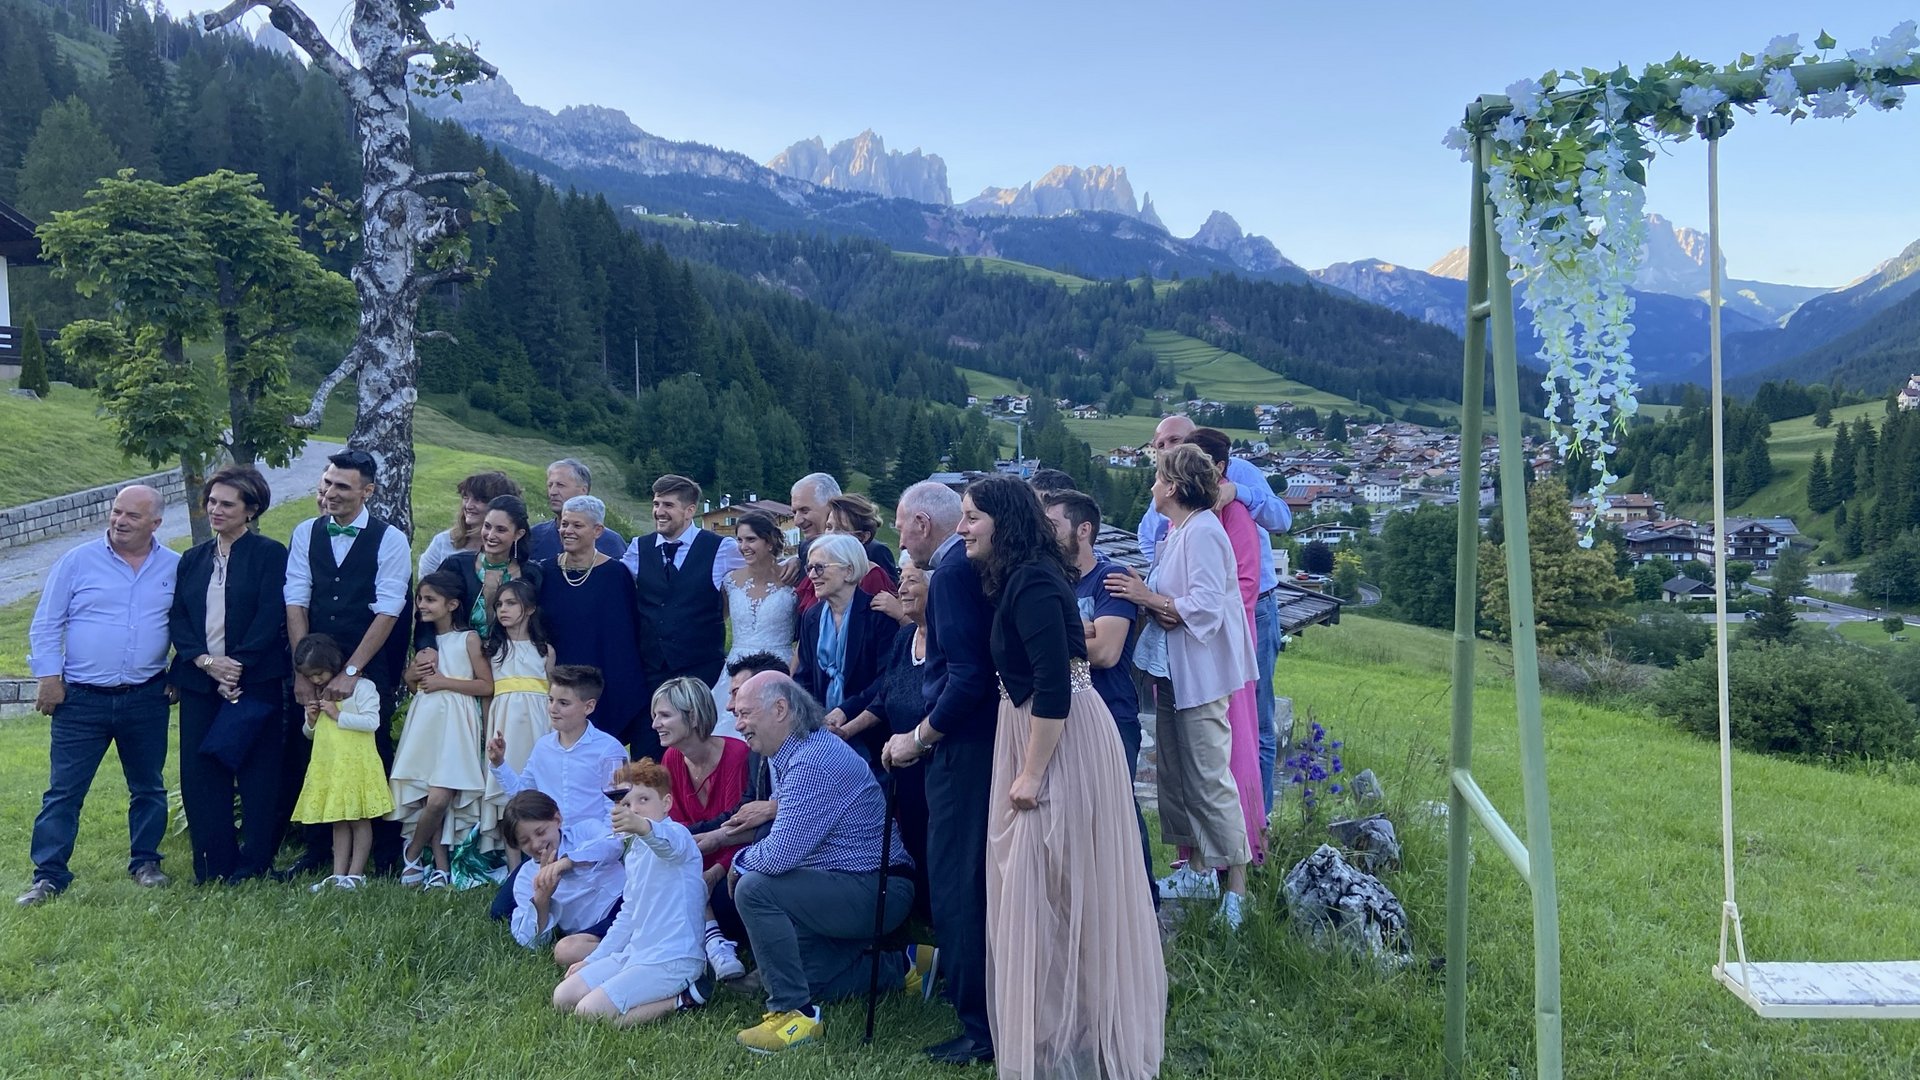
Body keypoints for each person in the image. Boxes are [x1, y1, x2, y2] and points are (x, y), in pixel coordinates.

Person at [962, 474, 1166, 1079]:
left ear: (1004, 522)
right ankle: (1059, 1034)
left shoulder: (1032, 582)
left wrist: (1030, 774)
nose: (963, 528)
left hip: (1058, 741)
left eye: (972, 517)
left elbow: (1055, 684)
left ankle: (1082, 1039)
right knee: (1047, 886)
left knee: (1056, 882)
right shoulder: (1022, 578)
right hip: (1037, 734)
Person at [1107, 444, 1257, 928]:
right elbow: (1172, 600)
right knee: (1176, 772)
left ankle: (1237, 890)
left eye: (1156, 478)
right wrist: (1145, 594)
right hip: (1174, 672)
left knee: (1210, 775)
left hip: (1201, 674)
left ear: (1172, 487)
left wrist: (1148, 596)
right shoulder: (1180, 531)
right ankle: (1197, 869)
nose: (1151, 486)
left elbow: (1207, 608)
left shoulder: (1205, 533)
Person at [729, 673, 916, 1055]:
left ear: (780, 709)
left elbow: (780, 855)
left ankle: (795, 1014)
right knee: (804, 975)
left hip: (877, 888)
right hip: (850, 886)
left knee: (753, 886)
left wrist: (737, 863)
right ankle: (907, 966)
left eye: (745, 713)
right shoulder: (796, 752)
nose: (738, 723)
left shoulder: (813, 760)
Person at [881, 479, 999, 1066]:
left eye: (900, 524)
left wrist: (921, 736)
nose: (897, 536)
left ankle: (978, 1025)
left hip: (962, 747)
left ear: (923, 523)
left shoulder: (950, 572)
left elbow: (966, 676)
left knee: (957, 882)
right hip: (986, 742)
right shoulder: (968, 565)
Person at [18, 485, 179, 906]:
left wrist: (180, 673)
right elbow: (47, 622)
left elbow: (190, 628)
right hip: (80, 700)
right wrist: (48, 677)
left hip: (146, 696)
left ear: (155, 524)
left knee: (148, 787)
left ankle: (146, 863)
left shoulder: (174, 567)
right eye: (116, 512)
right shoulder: (78, 561)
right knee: (64, 792)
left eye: (132, 516)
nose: (119, 521)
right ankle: (49, 876)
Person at [1138, 414, 1292, 818]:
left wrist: (1239, 492)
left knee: (1253, 720)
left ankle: (1259, 819)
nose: (1168, 450)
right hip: (1193, 622)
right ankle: (1213, 839)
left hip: (1249, 610)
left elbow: (1281, 519)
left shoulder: (1236, 477)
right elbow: (1149, 535)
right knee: (1202, 736)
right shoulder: (1171, 487)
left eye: (1175, 441)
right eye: (1160, 445)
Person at [282, 449, 413, 877]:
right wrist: (305, 673)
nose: (331, 493)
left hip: (367, 665)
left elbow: (389, 611)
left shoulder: (390, 539)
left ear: (367, 491)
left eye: (342, 486)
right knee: (315, 749)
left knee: (372, 752)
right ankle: (318, 849)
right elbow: (296, 598)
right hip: (313, 663)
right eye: (327, 483)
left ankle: (385, 852)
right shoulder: (305, 532)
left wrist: (352, 672)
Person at [168, 466, 289, 886]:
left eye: (227, 503)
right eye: (212, 502)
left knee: (259, 773)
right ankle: (212, 864)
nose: (215, 510)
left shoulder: (271, 554)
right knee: (202, 774)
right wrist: (205, 662)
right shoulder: (192, 559)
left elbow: (271, 614)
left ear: (251, 510)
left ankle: (254, 864)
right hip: (201, 682)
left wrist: (237, 665)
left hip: (254, 682)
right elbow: (179, 617)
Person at [1043, 489, 1156, 898]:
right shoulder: (1046, 577)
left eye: (1053, 525)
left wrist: (1049, 639)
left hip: (1111, 713)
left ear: (1083, 529)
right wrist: (1080, 632)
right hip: (1057, 714)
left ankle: (1144, 900)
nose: (1044, 532)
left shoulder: (1111, 579)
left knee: (1117, 811)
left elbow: (1107, 652)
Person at [552, 758, 712, 1027]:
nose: (634, 809)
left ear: (667, 803)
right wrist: (593, 959)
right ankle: (629, 988)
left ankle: (683, 998)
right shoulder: (635, 851)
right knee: (563, 996)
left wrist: (641, 826)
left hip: (673, 959)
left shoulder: (677, 835)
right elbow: (627, 915)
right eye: (626, 803)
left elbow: (665, 844)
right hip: (636, 954)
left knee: (589, 1013)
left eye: (643, 800)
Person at [487, 665, 629, 928]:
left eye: (564, 703)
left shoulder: (610, 749)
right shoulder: (543, 747)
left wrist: (595, 851)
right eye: (551, 700)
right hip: (546, 843)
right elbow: (524, 798)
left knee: (593, 913)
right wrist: (499, 764)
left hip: (590, 845)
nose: (553, 708)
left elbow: (617, 816)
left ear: (589, 706)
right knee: (500, 912)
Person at [1187, 428, 1269, 870]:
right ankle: (1198, 858)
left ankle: (1239, 854)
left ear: (1218, 468)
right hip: (1191, 648)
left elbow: (1245, 587)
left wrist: (1179, 609)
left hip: (1224, 652)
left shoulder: (1234, 513)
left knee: (1231, 745)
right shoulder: (1186, 515)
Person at [624, 474, 744, 761]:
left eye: (668, 504)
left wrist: (790, 564)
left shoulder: (721, 549)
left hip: (702, 672)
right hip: (652, 673)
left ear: (690, 510)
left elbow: (758, 572)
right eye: (655, 504)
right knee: (651, 757)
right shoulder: (637, 549)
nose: (659, 511)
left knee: (700, 752)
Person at [391, 571, 494, 888]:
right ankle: (440, 866)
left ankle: (411, 853)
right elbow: (412, 685)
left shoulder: (468, 639)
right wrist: (413, 673)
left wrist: (443, 682)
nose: (422, 604)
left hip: (456, 721)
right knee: (426, 795)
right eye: (420, 599)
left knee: (440, 797)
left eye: (430, 599)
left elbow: (486, 685)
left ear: (452, 604)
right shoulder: (423, 642)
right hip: (426, 721)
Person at [650, 676, 751, 981]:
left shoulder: (736, 756)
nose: (655, 724)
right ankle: (713, 942)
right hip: (694, 858)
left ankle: (711, 939)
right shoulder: (671, 758)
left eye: (664, 715)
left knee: (714, 895)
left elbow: (740, 827)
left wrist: (715, 872)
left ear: (692, 717)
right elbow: (677, 828)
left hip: (733, 859)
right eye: (655, 716)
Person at [539, 495, 649, 745]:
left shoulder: (616, 574)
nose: (567, 530)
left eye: (577, 525)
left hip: (603, 684)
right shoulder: (544, 572)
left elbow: (626, 637)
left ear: (597, 530)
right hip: (557, 684)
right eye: (564, 524)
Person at [289, 633, 393, 892]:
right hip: (330, 766)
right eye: (309, 676)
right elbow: (311, 734)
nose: (315, 680)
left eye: (319, 673)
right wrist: (311, 720)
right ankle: (338, 873)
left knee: (358, 818)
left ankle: (356, 874)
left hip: (357, 765)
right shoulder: (319, 693)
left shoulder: (362, 688)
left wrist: (338, 715)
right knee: (338, 819)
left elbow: (372, 722)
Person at [862, 553, 934, 917]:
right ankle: (916, 907)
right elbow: (884, 695)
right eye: (900, 579)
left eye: (911, 580)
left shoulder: (948, 639)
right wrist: (844, 726)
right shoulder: (905, 635)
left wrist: (916, 741)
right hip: (899, 754)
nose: (901, 588)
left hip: (934, 757)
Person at [793, 533, 897, 765]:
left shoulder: (877, 616)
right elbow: (804, 677)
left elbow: (886, 680)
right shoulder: (812, 617)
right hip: (822, 732)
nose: (811, 576)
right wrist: (814, 718)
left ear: (848, 571)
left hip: (870, 735)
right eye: (809, 568)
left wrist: (845, 710)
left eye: (819, 568)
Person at [498, 790, 623, 964]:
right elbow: (531, 942)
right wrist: (542, 898)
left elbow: (614, 845)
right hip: (595, 929)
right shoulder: (526, 878)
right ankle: (632, 952)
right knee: (565, 951)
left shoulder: (585, 830)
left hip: (626, 901)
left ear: (557, 819)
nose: (536, 844)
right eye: (525, 841)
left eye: (540, 832)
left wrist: (569, 861)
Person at [419, 494, 543, 648]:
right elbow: (427, 609)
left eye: (501, 530)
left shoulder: (532, 574)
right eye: (487, 526)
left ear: (519, 534)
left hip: (509, 660)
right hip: (457, 658)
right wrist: (426, 649)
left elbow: (540, 625)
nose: (490, 535)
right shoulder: (456, 566)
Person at [720, 510, 798, 737]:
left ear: (770, 541)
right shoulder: (731, 581)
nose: (744, 546)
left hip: (779, 666)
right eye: (740, 539)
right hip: (737, 666)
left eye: (751, 539)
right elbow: (718, 619)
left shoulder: (792, 578)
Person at [484, 580, 555, 774]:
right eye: (499, 604)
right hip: (503, 718)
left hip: (538, 720)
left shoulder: (545, 651)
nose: (503, 609)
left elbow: (551, 692)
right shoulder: (493, 650)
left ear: (530, 608)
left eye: (511, 603)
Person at [418, 470, 522, 578]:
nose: (468, 505)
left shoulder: (520, 552)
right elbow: (425, 587)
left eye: (478, 499)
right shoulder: (443, 542)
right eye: (465, 497)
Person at [528, 458, 627, 564]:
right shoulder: (535, 535)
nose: (552, 492)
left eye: (560, 485)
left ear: (583, 490)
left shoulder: (610, 542)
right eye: (550, 485)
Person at [788, 471, 841, 612]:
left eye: (804, 510)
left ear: (832, 506)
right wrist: (796, 561)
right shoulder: (805, 549)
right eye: (794, 512)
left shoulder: (870, 551)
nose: (797, 521)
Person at [826, 493, 899, 587]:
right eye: (828, 527)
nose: (830, 535)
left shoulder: (873, 575)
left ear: (863, 537)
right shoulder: (818, 570)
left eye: (841, 530)